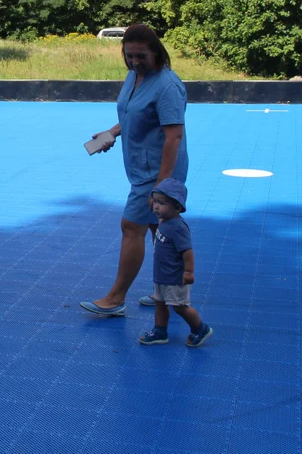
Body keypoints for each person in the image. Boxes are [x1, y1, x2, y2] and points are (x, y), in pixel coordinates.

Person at [81, 23, 188, 316]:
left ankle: (116, 299)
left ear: (156, 52)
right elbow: (132, 113)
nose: (135, 61)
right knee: (160, 227)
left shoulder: (167, 86)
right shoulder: (134, 76)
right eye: (129, 55)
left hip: (158, 171)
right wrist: (112, 132)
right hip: (141, 167)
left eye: (141, 56)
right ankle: (171, 291)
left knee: (131, 227)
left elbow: (173, 136)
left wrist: (161, 187)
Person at [138, 178, 213, 347]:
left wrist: (188, 272)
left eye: (162, 203)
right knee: (160, 303)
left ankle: (200, 328)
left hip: (175, 278)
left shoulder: (178, 227)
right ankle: (160, 331)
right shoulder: (163, 221)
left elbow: (187, 251)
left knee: (180, 306)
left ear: (177, 207)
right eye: (155, 201)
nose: (156, 206)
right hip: (162, 275)